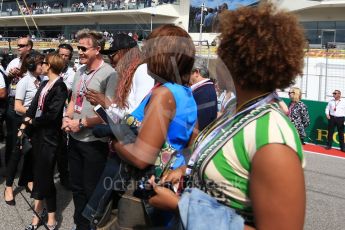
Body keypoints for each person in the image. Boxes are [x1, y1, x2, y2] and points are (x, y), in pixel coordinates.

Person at [148, 3, 306, 229]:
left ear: (237, 61)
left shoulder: (271, 137)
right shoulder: (236, 109)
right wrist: (184, 171)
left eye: (220, 51)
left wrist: (180, 205)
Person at [82, 32, 154, 227]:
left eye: (113, 55)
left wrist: (105, 103)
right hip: (125, 146)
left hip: (133, 152)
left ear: (125, 53)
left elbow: (135, 121)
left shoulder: (142, 71)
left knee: (114, 208)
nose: (111, 60)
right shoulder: (132, 73)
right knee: (110, 205)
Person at [61, 29, 116, 230]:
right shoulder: (80, 71)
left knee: (90, 188)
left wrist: (82, 123)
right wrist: (67, 117)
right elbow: (74, 99)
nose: (80, 52)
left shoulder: (110, 73)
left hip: (94, 142)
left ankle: (91, 226)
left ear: (97, 49)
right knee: (76, 187)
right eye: (78, 48)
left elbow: (110, 111)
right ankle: (80, 224)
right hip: (74, 137)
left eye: (83, 48)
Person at [20, 53, 68, 230]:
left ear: (51, 66)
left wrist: (32, 121)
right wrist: (24, 125)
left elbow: (53, 115)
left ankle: (49, 217)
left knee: (45, 177)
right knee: (39, 176)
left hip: (50, 138)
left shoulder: (60, 87)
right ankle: (40, 214)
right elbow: (33, 107)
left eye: (44, 63)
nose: (41, 65)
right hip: (39, 136)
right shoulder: (44, 83)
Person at [4, 50, 44, 206]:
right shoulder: (24, 81)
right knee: (17, 154)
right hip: (23, 122)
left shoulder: (42, 79)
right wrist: (32, 113)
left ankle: (28, 179)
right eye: (41, 63)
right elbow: (18, 106)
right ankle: (8, 187)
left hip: (35, 123)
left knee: (32, 154)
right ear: (33, 64)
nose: (44, 66)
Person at [5, 36, 33, 165]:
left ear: (29, 47)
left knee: (29, 134)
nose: (18, 48)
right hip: (12, 101)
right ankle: (9, 164)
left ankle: (27, 167)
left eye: (22, 46)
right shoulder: (13, 62)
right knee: (11, 135)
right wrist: (10, 75)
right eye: (18, 45)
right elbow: (5, 80)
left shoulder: (35, 62)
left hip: (28, 103)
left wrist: (22, 75)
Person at [56, 43, 75, 190]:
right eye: (61, 54)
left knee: (62, 148)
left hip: (62, 115)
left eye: (66, 55)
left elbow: (66, 91)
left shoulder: (72, 74)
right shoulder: (48, 68)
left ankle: (64, 175)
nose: (63, 58)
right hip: (47, 115)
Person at [189, 61, 217, 131]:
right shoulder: (206, 88)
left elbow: (201, 124)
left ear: (196, 73)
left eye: (188, 73)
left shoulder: (204, 92)